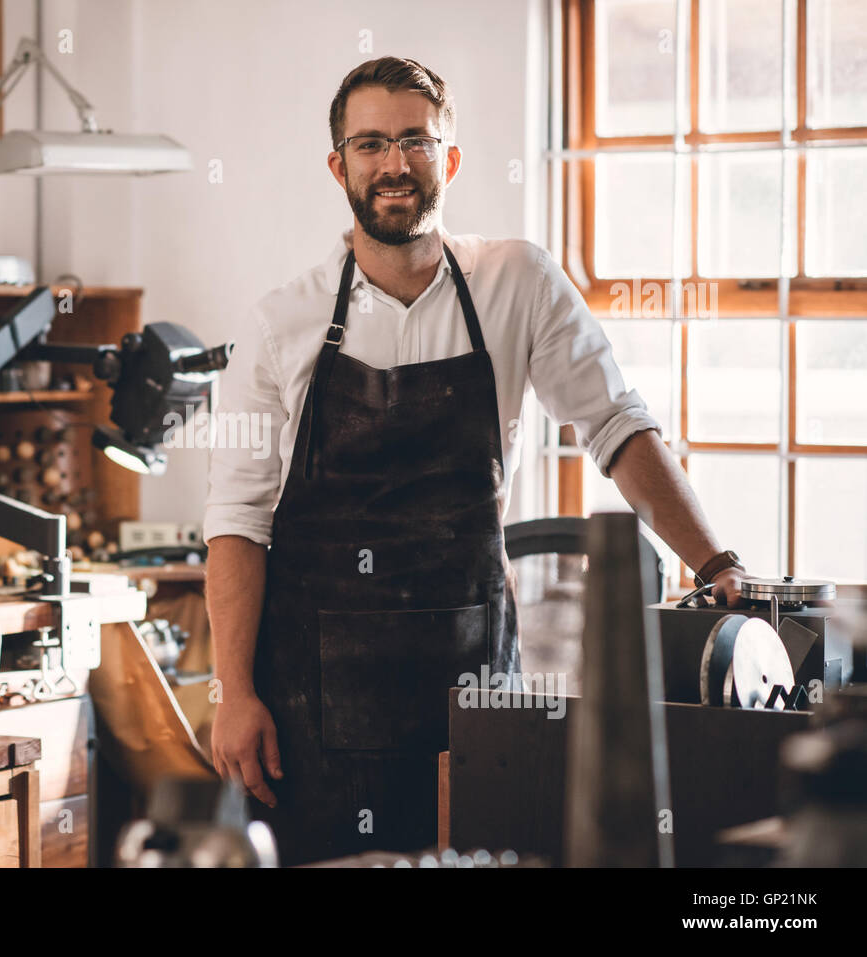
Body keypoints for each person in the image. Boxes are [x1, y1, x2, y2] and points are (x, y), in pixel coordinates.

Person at [202, 56, 747, 866]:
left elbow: (618, 428)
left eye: (416, 141)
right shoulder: (284, 321)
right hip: (311, 708)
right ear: (338, 166)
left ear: (449, 159)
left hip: (475, 699)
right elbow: (237, 522)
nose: (395, 164)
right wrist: (234, 692)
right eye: (372, 144)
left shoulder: (516, 283)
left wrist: (715, 561)